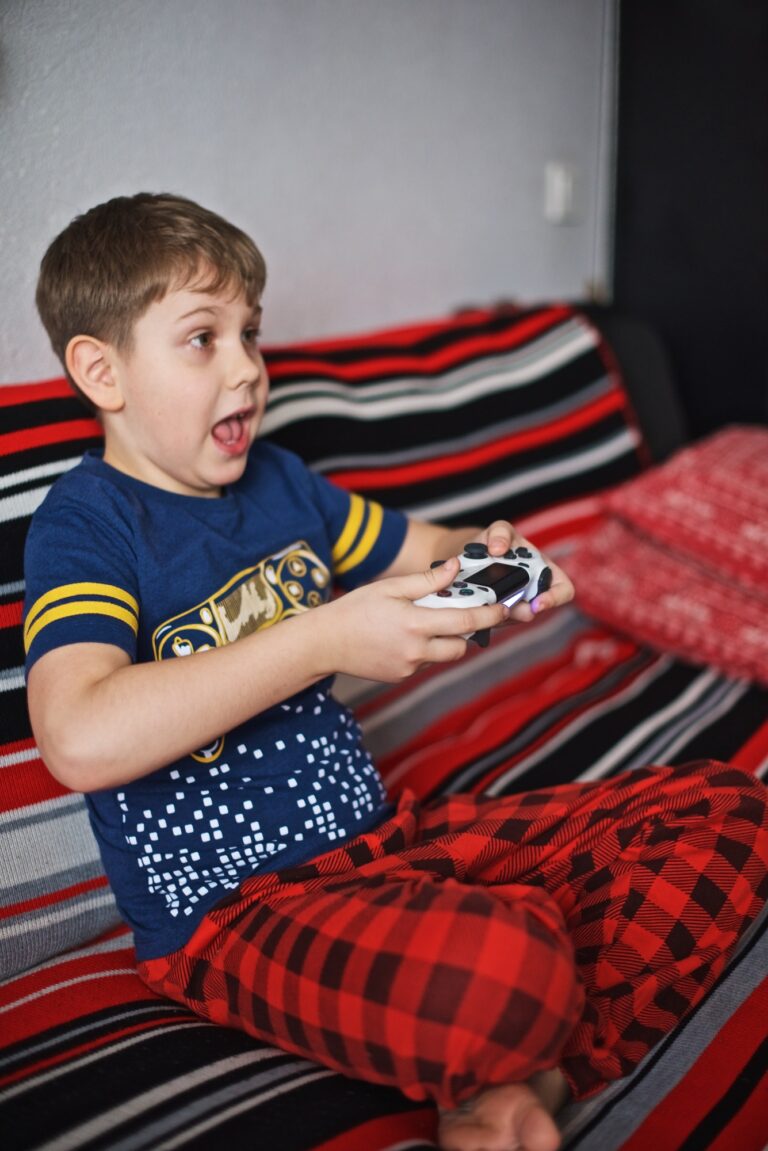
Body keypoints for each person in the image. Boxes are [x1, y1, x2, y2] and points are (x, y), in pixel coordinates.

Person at [24, 193, 768, 1151]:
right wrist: (324, 639)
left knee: (724, 811)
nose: (250, 368)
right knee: (517, 953)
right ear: (102, 370)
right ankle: (514, 1008)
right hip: (234, 915)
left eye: (253, 333)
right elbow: (79, 736)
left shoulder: (283, 483)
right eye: (203, 338)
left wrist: (494, 558)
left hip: (386, 844)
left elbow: (429, 549)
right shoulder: (89, 522)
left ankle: (523, 1070)